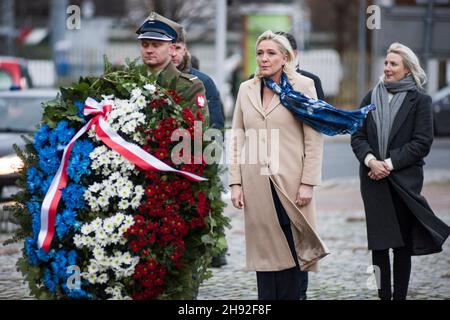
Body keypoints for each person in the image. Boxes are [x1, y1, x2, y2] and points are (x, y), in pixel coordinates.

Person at [228, 30, 329, 300]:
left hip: (291, 183)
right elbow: (237, 136)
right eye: (260, 53)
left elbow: (313, 139)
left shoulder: (303, 86)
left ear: (286, 57)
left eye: (271, 53)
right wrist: (235, 183)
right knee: (264, 252)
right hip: (256, 183)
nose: (264, 58)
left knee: (294, 246)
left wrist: (309, 182)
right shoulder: (245, 88)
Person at [351, 42, 450, 300]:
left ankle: (400, 297)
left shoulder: (421, 101)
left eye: (393, 64)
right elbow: (358, 136)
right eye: (386, 62)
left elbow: (421, 143)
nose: (387, 67)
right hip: (373, 181)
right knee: (379, 246)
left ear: (407, 69)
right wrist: (372, 161)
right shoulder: (370, 98)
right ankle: (383, 296)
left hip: (404, 181)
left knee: (402, 246)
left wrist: (389, 164)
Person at [171, 28, 227, 267]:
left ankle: (214, 251)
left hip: (195, 164)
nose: (173, 54)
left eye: (178, 48)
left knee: (199, 220)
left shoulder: (203, 82)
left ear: (186, 50)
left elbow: (216, 125)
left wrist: (207, 161)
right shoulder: (148, 79)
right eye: (169, 48)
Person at [136, 12, 208, 119]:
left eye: (156, 45)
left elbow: (198, 127)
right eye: (145, 45)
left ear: (172, 49)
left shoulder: (191, 86)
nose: (149, 50)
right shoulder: (129, 80)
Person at [275, 31, 325, 101]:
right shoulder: (255, 82)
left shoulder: (311, 80)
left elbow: (320, 110)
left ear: (294, 53)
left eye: (282, 51)